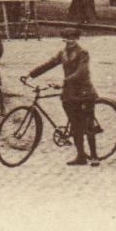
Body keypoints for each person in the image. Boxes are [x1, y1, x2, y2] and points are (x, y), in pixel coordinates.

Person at [26, 27, 102, 167]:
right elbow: (49, 64)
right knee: (75, 123)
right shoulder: (63, 53)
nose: (70, 41)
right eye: (68, 38)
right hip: (69, 93)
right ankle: (81, 156)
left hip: (84, 92)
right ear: (64, 40)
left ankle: (94, 156)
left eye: (73, 38)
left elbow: (82, 72)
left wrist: (65, 81)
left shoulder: (82, 53)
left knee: (87, 123)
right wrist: (31, 74)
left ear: (77, 39)